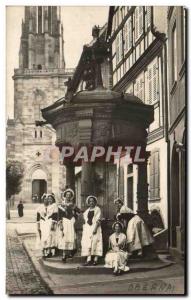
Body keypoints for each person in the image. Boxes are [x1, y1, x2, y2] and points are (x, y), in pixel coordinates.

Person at [57, 188, 80, 262]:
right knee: (64, 237)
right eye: (67, 195)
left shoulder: (73, 205)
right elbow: (59, 215)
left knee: (71, 237)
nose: (68, 196)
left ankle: (70, 253)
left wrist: (75, 215)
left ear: (71, 196)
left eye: (69, 195)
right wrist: (60, 224)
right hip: (65, 221)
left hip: (71, 222)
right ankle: (64, 255)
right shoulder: (61, 205)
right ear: (65, 195)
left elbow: (79, 212)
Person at [81, 195, 103, 266]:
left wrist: (95, 228)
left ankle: (96, 259)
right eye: (90, 201)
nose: (91, 203)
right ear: (88, 202)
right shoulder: (87, 211)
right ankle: (88, 259)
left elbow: (98, 219)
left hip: (95, 227)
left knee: (95, 241)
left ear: (95, 202)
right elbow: (85, 220)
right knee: (88, 243)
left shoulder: (97, 209)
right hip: (88, 228)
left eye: (93, 201)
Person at [36, 194, 57, 258]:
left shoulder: (51, 207)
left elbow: (54, 216)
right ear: (43, 200)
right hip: (42, 223)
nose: (46, 200)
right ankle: (43, 251)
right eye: (44, 199)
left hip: (48, 223)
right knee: (43, 237)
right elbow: (38, 218)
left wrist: (53, 224)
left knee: (49, 237)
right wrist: (38, 226)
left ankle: (49, 251)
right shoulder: (39, 207)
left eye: (47, 199)